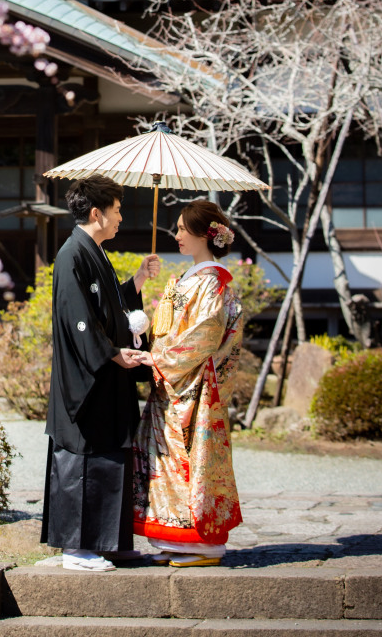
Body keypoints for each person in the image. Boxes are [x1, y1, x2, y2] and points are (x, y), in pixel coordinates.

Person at [40, 173, 160, 572]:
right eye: (118, 210)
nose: (122, 217)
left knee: (111, 455)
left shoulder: (94, 251)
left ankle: (110, 541)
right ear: (97, 213)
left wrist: (139, 280)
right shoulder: (72, 254)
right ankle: (77, 548)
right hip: (86, 380)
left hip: (107, 373)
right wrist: (110, 354)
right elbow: (79, 320)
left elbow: (108, 307)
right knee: (83, 459)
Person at [132, 198, 243, 567]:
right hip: (173, 382)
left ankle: (204, 543)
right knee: (167, 461)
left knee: (192, 461)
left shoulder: (212, 280)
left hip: (193, 385)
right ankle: (176, 538)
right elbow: (169, 327)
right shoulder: (191, 278)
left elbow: (205, 335)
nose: (176, 234)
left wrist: (159, 358)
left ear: (203, 234)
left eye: (182, 228)